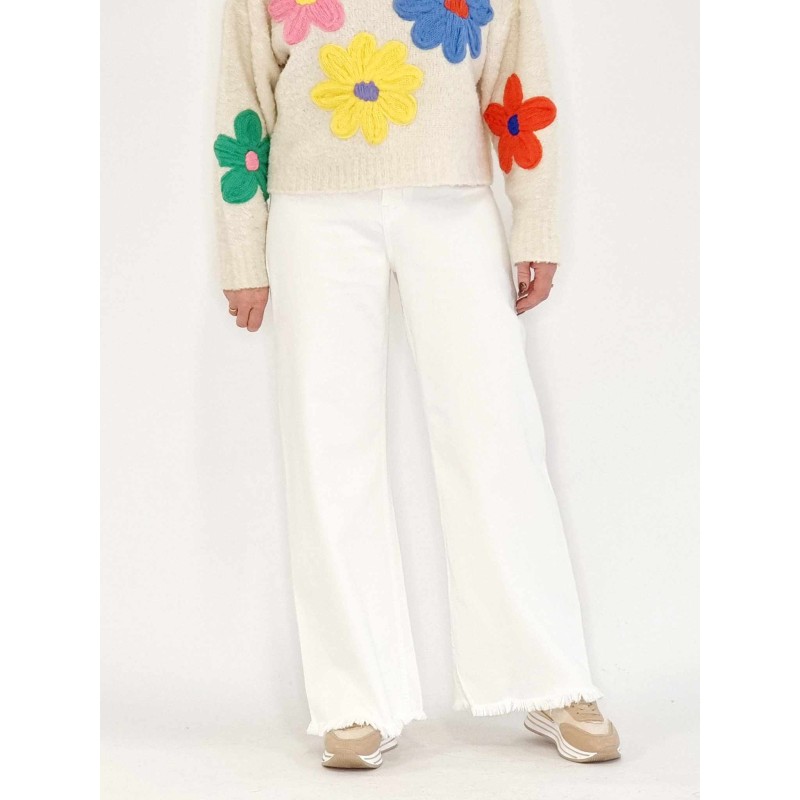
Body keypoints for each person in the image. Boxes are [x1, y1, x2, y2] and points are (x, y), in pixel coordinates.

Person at [213, 0, 621, 769]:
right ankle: (355, 697)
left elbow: (518, 71)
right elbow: (243, 92)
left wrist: (534, 219)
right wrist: (242, 250)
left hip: (454, 201)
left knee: (496, 430)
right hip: (312, 209)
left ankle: (550, 676)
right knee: (328, 444)